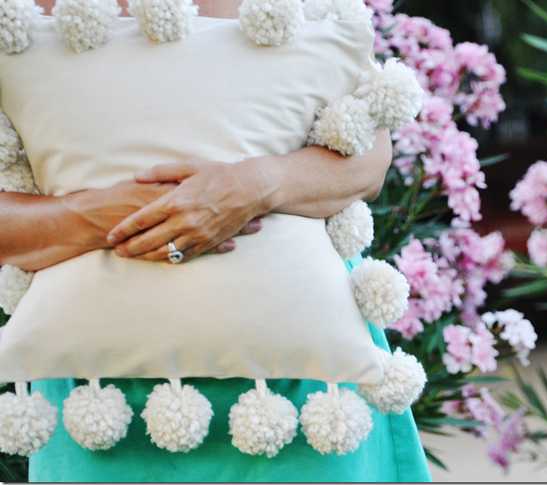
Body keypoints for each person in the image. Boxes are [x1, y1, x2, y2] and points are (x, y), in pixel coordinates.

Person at [0, 0, 433, 481]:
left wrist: (255, 185)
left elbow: (367, 161)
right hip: (98, 392)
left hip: (309, 389)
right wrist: (98, 216)